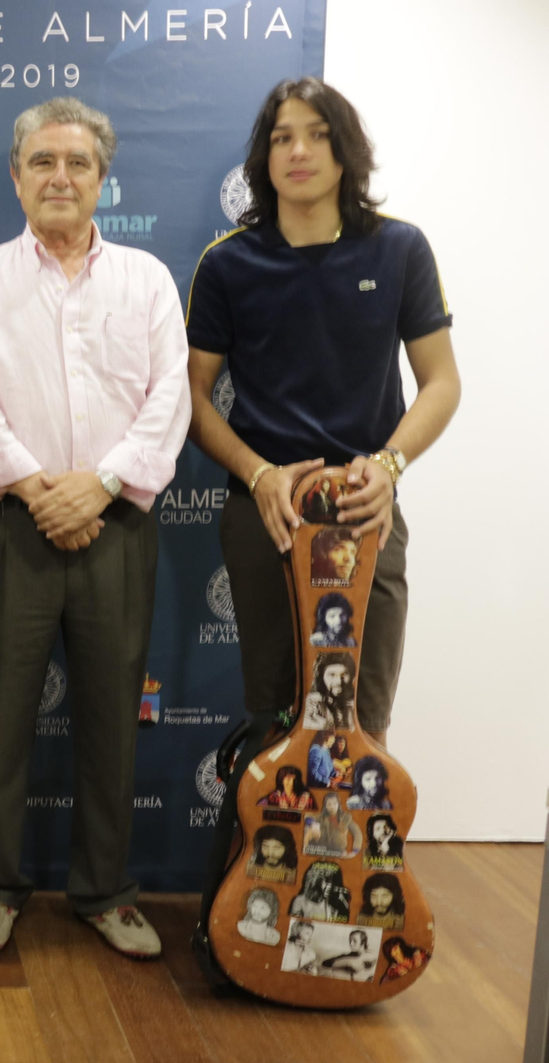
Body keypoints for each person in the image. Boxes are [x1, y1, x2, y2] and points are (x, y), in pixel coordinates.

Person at [0, 97, 191, 959]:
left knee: (112, 719)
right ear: (16, 177)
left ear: (101, 180)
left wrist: (102, 487)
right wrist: (43, 489)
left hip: (117, 526)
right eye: (42, 161)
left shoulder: (148, 281)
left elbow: (170, 399)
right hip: (11, 524)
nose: (59, 177)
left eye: (77, 163)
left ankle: (106, 891)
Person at [184, 76, 461, 751]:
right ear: (264, 158)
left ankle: (361, 859)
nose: (298, 150)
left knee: (363, 719)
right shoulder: (228, 264)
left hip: (366, 505)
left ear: (345, 152)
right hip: (266, 511)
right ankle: (269, 858)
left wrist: (389, 465)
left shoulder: (400, 249)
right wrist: (257, 474)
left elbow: (441, 382)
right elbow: (189, 399)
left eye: (316, 134)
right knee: (274, 715)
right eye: (282, 137)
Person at [301, 652, 357, 730]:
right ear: (321, 676)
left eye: (344, 674)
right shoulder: (313, 702)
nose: (338, 682)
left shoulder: (354, 701)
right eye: (332, 675)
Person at [303, 791, 360, 856]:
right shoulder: (321, 817)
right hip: (321, 851)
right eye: (329, 804)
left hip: (339, 853)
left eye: (335, 803)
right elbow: (306, 816)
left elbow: (357, 832)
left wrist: (355, 851)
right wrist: (313, 824)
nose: (332, 806)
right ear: (325, 806)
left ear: (339, 805)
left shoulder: (346, 818)